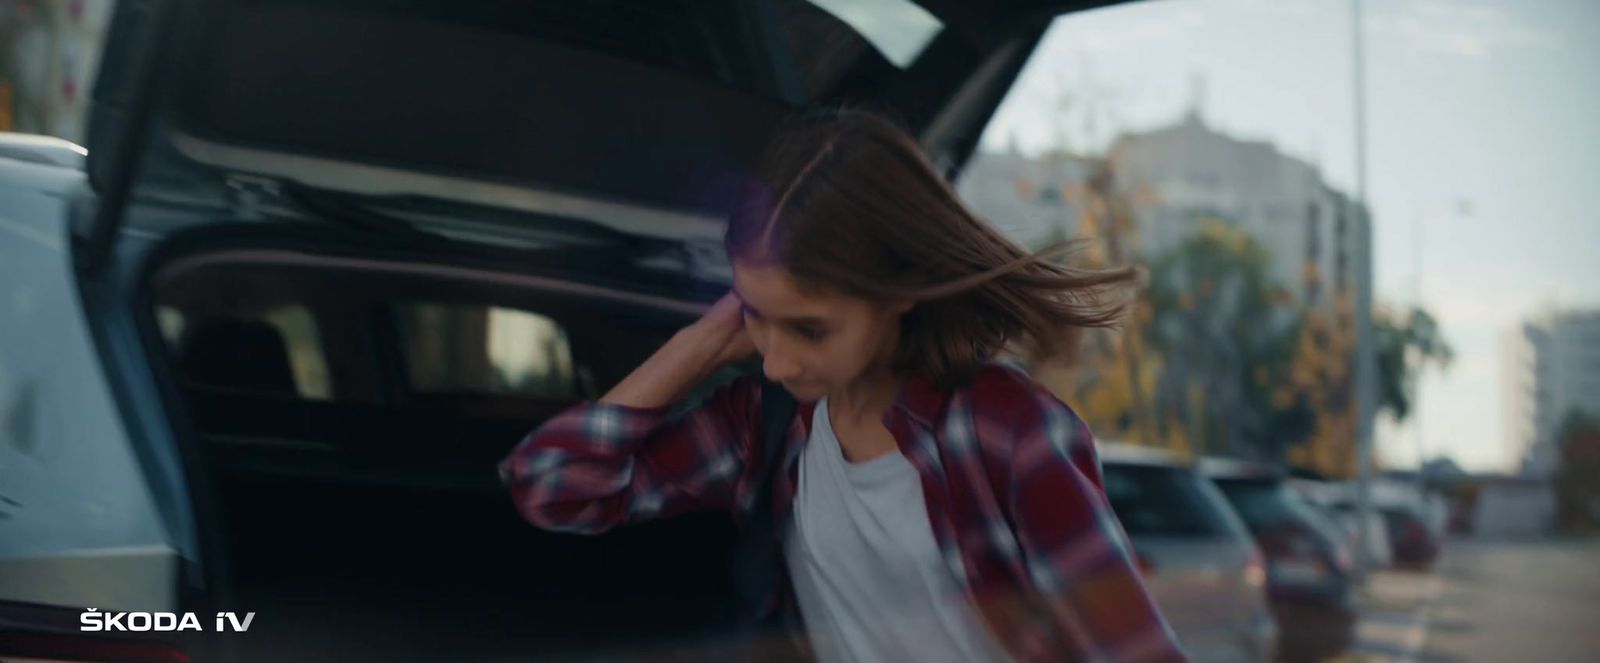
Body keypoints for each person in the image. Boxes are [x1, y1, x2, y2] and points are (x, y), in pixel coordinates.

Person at [498, 108, 1186, 662]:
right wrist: (699, 345)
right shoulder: (766, 425)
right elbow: (555, 487)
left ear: (900, 292)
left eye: (811, 328)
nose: (775, 361)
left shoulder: (1005, 428)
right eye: (755, 317)